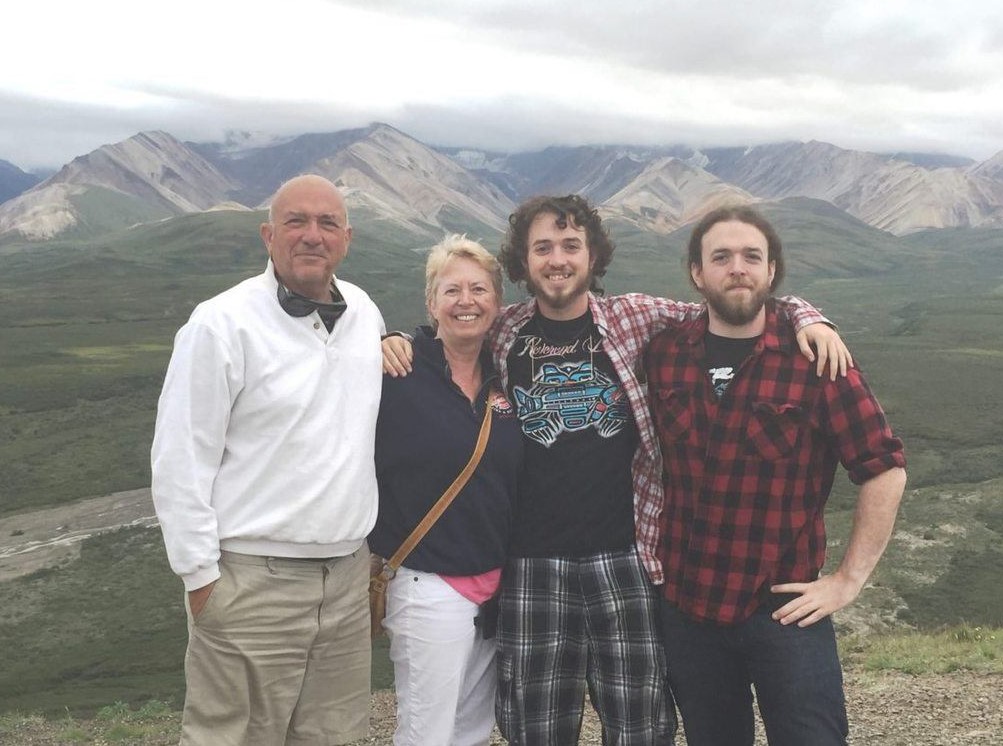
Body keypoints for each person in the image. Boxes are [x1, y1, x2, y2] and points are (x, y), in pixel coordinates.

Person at [383, 194, 851, 745]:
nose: (557, 259)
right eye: (543, 248)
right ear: (524, 262)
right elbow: (448, 330)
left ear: (592, 256)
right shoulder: (503, 330)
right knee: (536, 727)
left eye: (571, 246)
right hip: (531, 564)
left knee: (640, 726)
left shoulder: (634, 317)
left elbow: (727, 305)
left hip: (626, 560)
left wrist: (805, 315)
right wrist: (392, 339)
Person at [645, 205, 907, 746]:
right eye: (720, 257)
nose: (736, 268)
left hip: (784, 608)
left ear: (771, 272)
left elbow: (883, 468)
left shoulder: (816, 358)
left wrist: (847, 580)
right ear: (697, 273)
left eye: (751, 257)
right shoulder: (665, 352)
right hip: (688, 607)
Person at [151, 174, 385, 745]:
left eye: (327, 223)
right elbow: (180, 456)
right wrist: (202, 579)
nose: (312, 236)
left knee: (335, 735)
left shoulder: (365, 314)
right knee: (233, 736)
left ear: (347, 239)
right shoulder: (220, 323)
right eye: (295, 222)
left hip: (348, 578)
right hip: (250, 580)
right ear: (268, 235)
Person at [369, 235, 523, 746]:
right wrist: (381, 340)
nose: (466, 301)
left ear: (497, 304)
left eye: (479, 289)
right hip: (427, 583)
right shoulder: (397, 371)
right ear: (431, 301)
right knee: (427, 732)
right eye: (451, 289)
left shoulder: (508, 378)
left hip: (495, 585)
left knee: (473, 728)